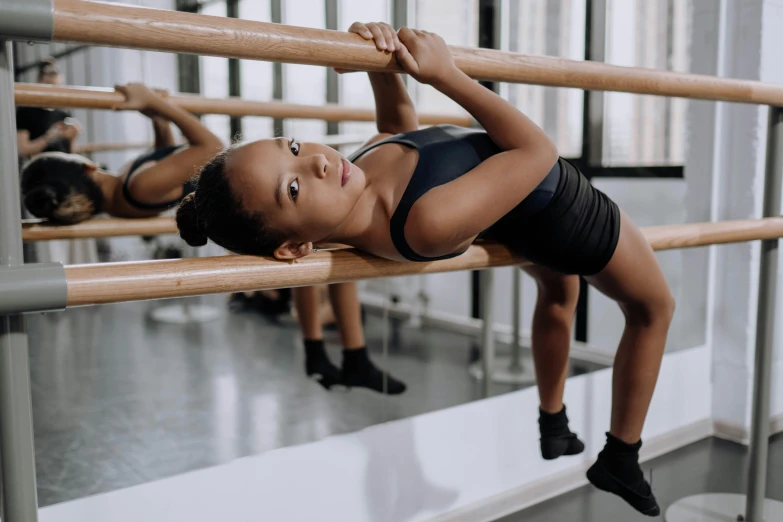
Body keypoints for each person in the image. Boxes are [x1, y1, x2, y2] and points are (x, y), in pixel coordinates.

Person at [176, 22, 674, 517]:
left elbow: (403, 134)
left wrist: (379, 67)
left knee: (559, 296)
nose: (318, 164)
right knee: (652, 308)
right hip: (563, 207)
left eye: (293, 147)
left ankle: (553, 423)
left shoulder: (359, 173)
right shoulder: (424, 224)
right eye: (293, 189)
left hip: (517, 209)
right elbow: (537, 152)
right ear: (294, 247)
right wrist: (447, 76)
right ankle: (621, 454)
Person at [22, 83, 222, 224]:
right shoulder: (139, 186)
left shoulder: (122, 193)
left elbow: (169, 164)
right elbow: (212, 148)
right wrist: (154, 102)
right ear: (88, 167)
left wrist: (159, 121)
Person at [16, 58, 81, 158]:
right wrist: (49, 138)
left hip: (62, 167)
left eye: (57, 86)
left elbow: (71, 151)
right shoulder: (26, 111)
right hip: (39, 168)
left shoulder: (63, 112)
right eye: (49, 85)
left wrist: (73, 137)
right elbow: (22, 150)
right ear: (38, 83)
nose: (53, 91)